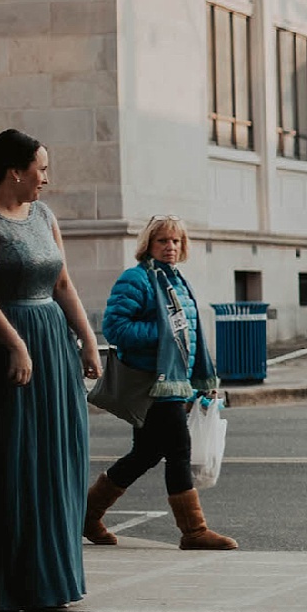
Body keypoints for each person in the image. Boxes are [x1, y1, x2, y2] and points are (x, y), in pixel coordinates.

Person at [0, 129, 101, 610]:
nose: (46, 178)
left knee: (58, 456)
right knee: (15, 457)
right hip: (7, 343)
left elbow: (63, 282)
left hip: (53, 342)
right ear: (15, 171)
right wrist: (17, 346)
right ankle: (12, 581)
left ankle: (54, 578)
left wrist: (87, 341)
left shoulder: (44, 214)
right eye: (41, 169)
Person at [89, 215, 236, 550]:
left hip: (174, 382)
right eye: (163, 241)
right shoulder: (137, 279)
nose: (171, 247)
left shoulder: (177, 282)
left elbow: (189, 338)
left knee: (145, 454)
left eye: (176, 242)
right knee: (178, 449)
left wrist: (197, 383)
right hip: (151, 383)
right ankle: (194, 530)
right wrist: (163, 334)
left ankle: (87, 514)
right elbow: (115, 328)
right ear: (149, 245)